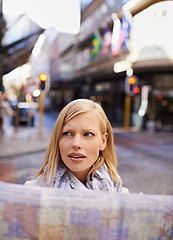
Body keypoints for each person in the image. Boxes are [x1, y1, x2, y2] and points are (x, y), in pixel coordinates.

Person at [25, 98, 129, 193]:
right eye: (68, 133)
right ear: (57, 139)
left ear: (103, 141)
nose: (76, 144)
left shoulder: (120, 195)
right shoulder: (32, 192)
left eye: (88, 134)